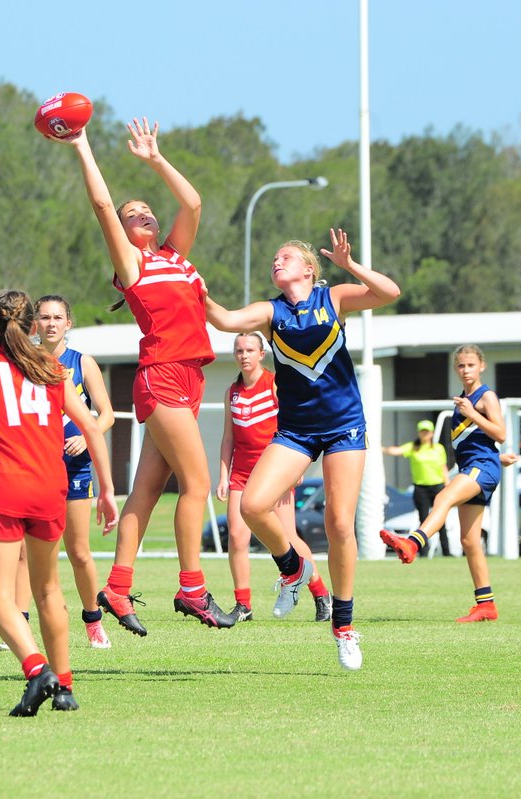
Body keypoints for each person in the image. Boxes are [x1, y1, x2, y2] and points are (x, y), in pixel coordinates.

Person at [50, 118, 235, 633]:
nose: (144, 214)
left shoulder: (175, 256)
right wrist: (82, 145)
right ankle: (192, 588)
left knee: (147, 490)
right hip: (163, 376)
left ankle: (117, 585)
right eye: (133, 215)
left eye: (147, 209)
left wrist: (156, 159)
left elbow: (193, 204)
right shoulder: (133, 265)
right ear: (124, 232)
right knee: (197, 485)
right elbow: (101, 205)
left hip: (189, 379)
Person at [205, 228, 401, 670]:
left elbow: (389, 292)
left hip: (344, 425)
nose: (278, 261)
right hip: (296, 430)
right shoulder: (271, 312)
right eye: (275, 258)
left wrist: (350, 265)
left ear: (309, 270)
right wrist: (195, 289)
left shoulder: (334, 298)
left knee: (339, 522)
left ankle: (344, 627)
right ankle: (293, 569)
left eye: (287, 257)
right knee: (252, 506)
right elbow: (224, 320)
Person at [0, 290, 119, 716]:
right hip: (49, 489)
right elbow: (92, 427)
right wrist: (106, 491)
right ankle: (65, 687)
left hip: (2, 489)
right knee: (49, 590)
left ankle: (38, 669)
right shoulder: (52, 368)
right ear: (34, 325)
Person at [381, 344, 506, 623]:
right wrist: (501, 458)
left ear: (482, 366)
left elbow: (501, 433)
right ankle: (486, 605)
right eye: (461, 365)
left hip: (481, 468)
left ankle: (413, 543)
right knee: (469, 540)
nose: (466, 370)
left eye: (471, 365)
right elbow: (480, 442)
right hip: (478, 466)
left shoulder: (485, 397)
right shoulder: (464, 399)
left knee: (443, 498)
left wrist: (473, 414)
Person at [216, 332, 332, 622]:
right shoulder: (232, 392)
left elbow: (296, 426)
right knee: (236, 536)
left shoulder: (274, 384)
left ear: (261, 354)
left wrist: (296, 468)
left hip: (273, 472)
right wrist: (223, 475)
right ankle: (243, 605)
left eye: (249, 350)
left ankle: (321, 594)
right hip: (241, 473)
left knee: (288, 536)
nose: (244, 355)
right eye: (239, 350)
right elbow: (228, 438)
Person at [35, 294, 116, 647]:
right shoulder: (25, 362)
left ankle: (93, 619)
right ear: (35, 324)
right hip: (36, 468)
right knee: (29, 553)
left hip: (74, 469)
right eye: (44, 317)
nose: (51, 323)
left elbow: (106, 414)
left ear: (68, 323)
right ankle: (20, 622)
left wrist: (86, 435)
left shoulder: (82, 362)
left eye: (57, 317)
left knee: (79, 552)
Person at [383, 419, 451, 556]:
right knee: (423, 519)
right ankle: (423, 551)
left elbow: (443, 467)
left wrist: (447, 485)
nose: (424, 434)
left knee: (440, 520)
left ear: (432, 433)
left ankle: (446, 551)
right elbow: (396, 451)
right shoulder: (413, 447)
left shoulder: (438, 448)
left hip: (437, 487)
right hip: (421, 488)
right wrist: (380, 448)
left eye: (427, 431)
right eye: (422, 431)